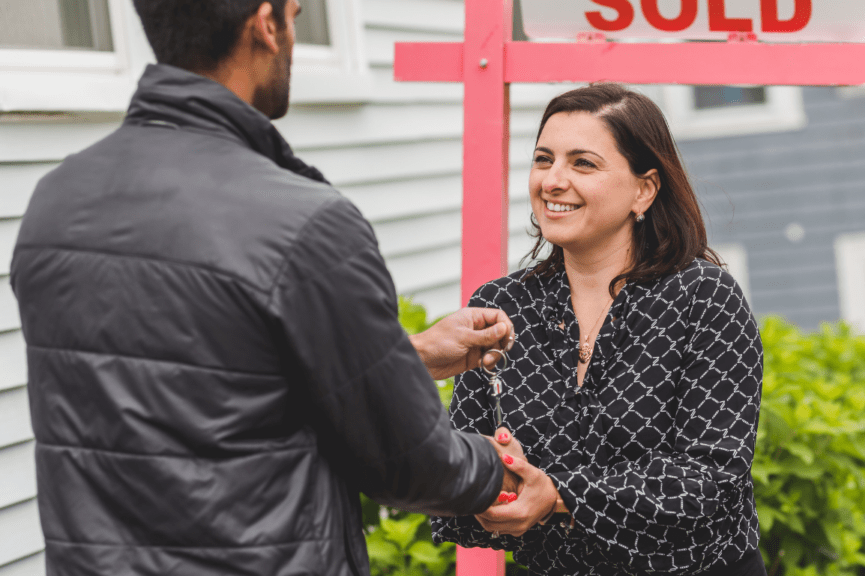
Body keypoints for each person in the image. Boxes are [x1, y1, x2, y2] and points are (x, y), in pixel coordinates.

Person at [10, 1, 519, 575]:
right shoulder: (302, 223)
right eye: (297, 14)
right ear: (265, 24)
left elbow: (185, 376)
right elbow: (406, 463)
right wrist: (499, 470)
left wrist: (410, 356)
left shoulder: (56, 202)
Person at [432, 83, 767, 576]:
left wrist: (559, 494)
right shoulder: (499, 307)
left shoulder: (704, 298)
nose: (553, 180)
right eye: (543, 159)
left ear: (644, 189)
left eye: (582, 163)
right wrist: (491, 479)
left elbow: (710, 478)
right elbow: (460, 475)